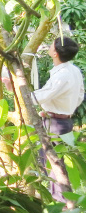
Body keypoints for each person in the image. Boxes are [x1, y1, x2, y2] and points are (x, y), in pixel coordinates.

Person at [31, 37, 84, 201]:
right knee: (53, 161)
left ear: (55, 53)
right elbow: (80, 95)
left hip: (56, 124)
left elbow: (43, 95)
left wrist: (21, 92)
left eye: (51, 44)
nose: (48, 46)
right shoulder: (73, 70)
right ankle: (57, 199)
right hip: (61, 120)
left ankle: (60, 202)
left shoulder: (63, 75)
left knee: (54, 164)